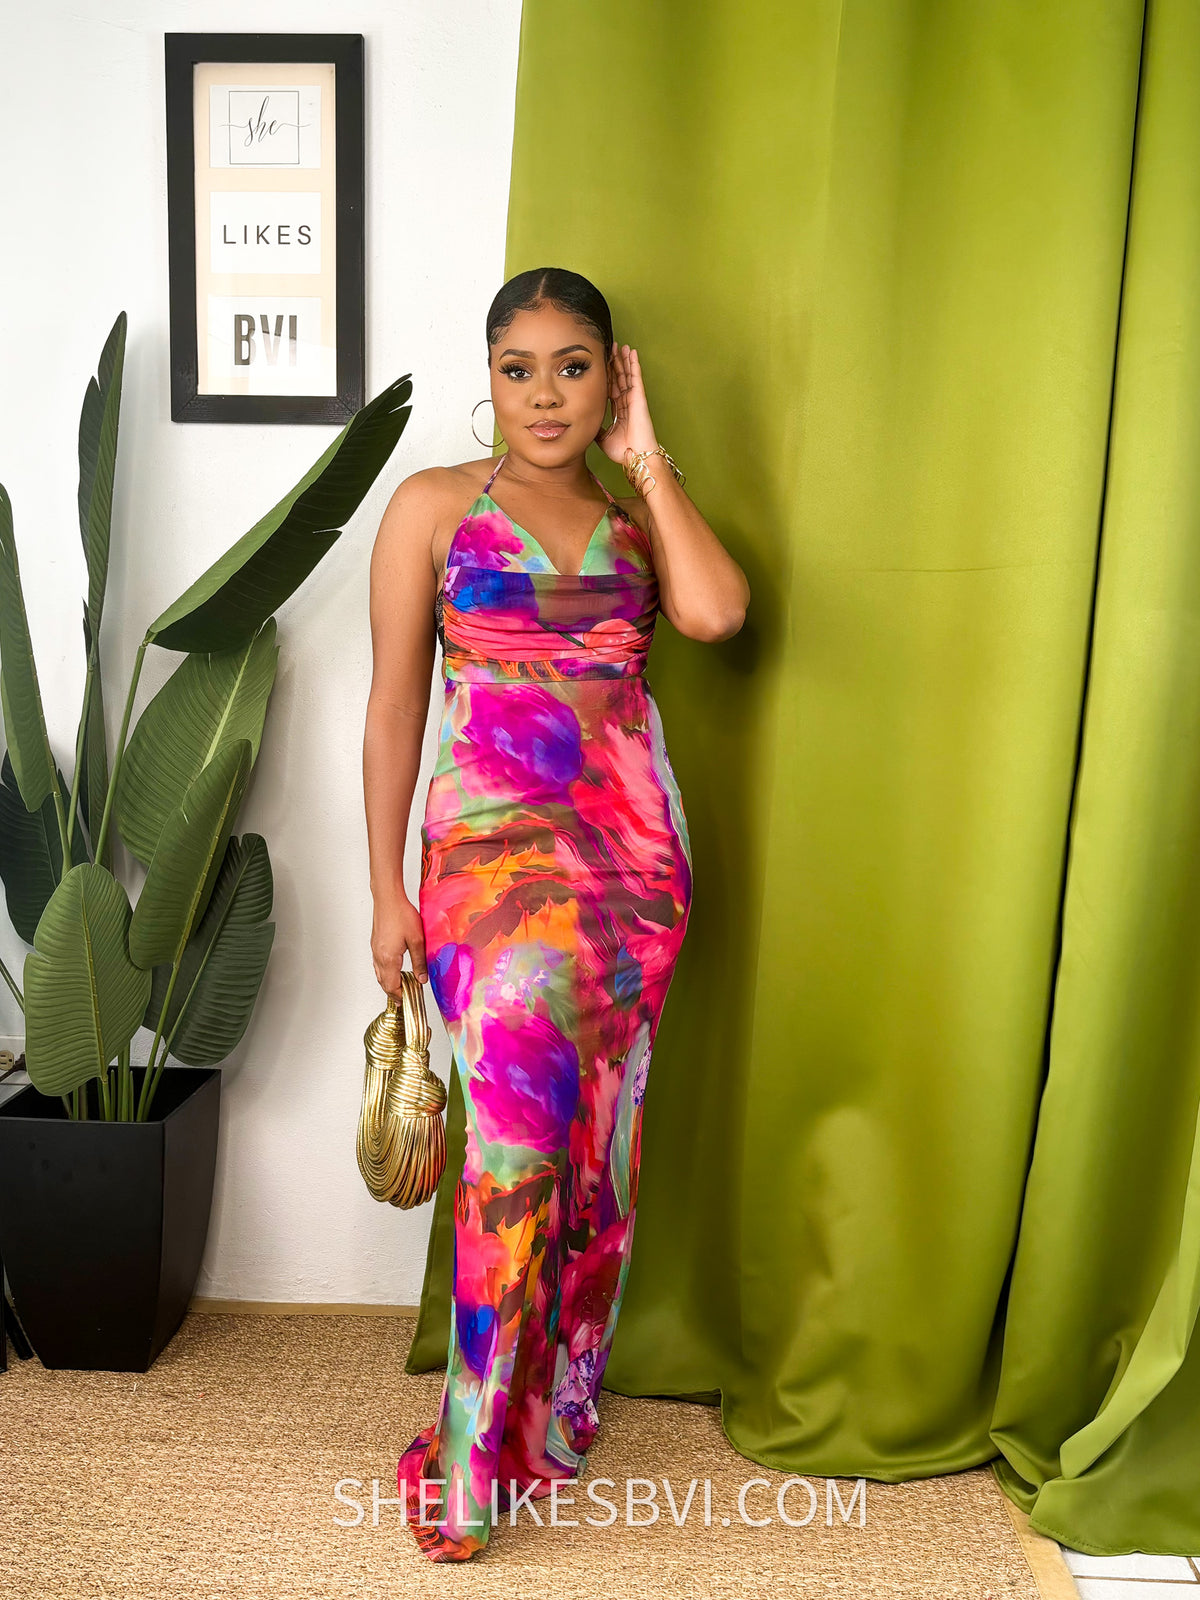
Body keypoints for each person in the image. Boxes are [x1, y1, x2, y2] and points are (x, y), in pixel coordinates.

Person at [362, 266, 750, 1561]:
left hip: (632, 876)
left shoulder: (637, 520)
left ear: (612, 378)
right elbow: (393, 708)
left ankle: (548, 1416)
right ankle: (471, 1457)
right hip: (484, 868)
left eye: (573, 368)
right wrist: (383, 888)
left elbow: (717, 613)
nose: (544, 395)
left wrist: (647, 459)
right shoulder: (433, 508)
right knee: (512, 1158)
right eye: (518, 368)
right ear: (488, 377)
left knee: (597, 1160)